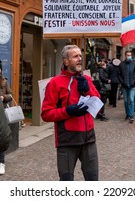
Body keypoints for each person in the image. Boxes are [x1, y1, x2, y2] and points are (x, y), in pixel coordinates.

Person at [41, 45, 100, 181]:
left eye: (80, 56)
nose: (79, 59)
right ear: (66, 61)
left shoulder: (87, 79)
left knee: (93, 181)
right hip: (67, 140)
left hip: (88, 139)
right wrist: (67, 111)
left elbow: (98, 107)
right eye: (75, 56)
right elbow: (46, 114)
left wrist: (87, 90)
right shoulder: (55, 83)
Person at [0, 60, 13, 175]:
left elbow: (11, 95)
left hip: (2, 113)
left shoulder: (4, 82)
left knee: (1, 136)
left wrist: (4, 97)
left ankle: (1, 162)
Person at [119, 51, 135, 123]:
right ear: (125, 55)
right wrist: (122, 82)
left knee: (131, 99)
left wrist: (134, 81)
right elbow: (119, 75)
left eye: (130, 55)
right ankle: (127, 114)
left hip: (132, 85)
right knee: (126, 101)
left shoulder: (134, 64)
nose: (129, 56)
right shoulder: (121, 64)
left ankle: (131, 116)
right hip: (124, 85)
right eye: (128, 55)